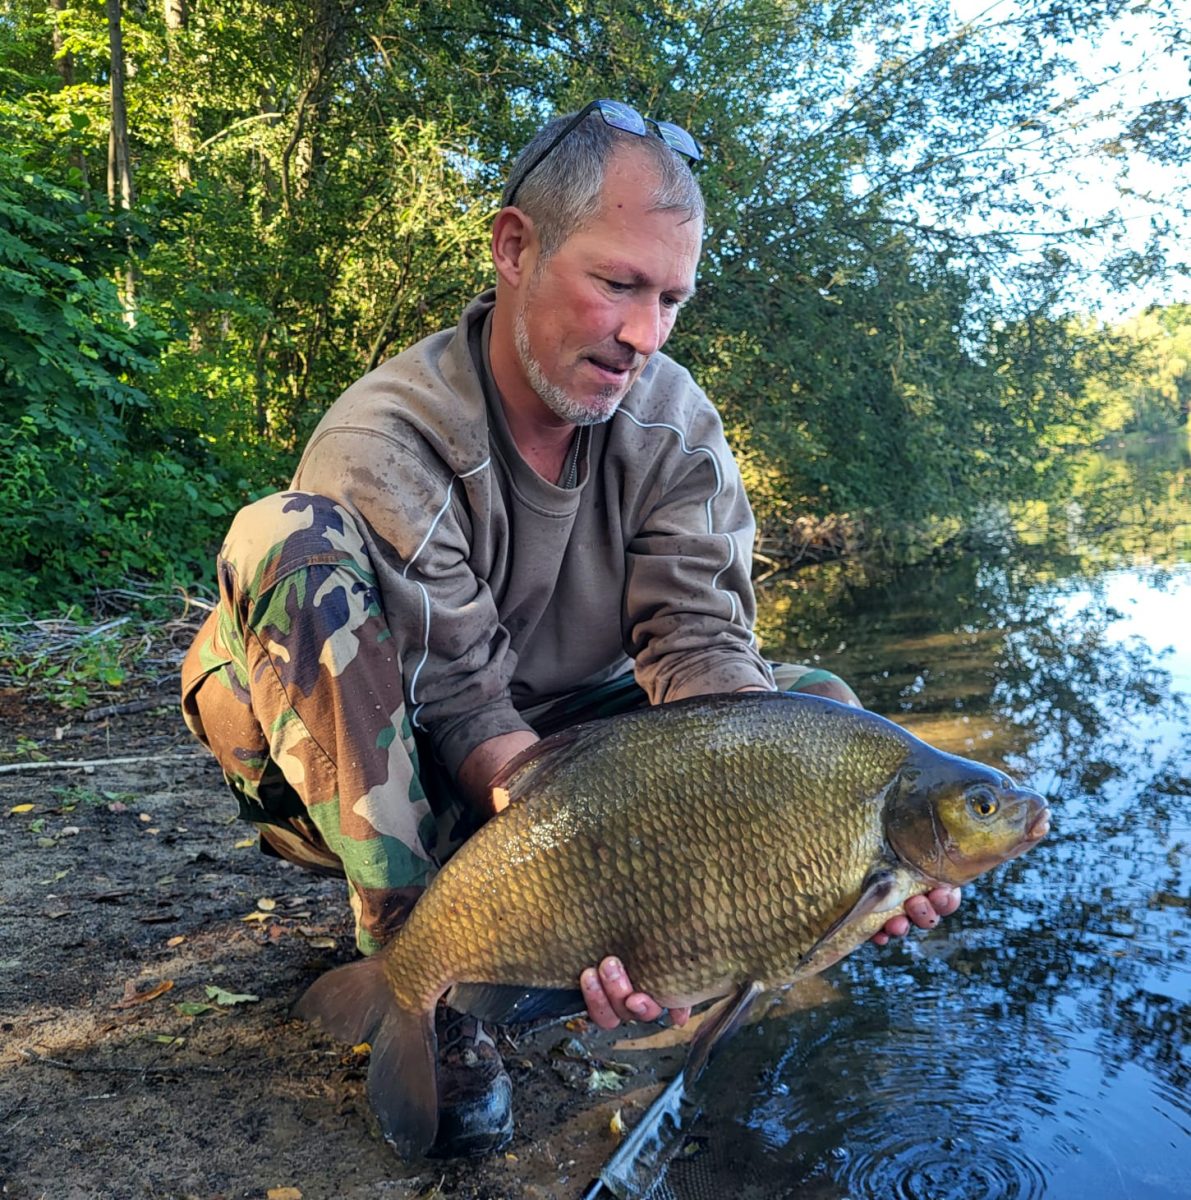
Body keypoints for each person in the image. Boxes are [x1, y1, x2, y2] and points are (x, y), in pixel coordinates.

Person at [181, 99, 959, 1157]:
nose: (644, 335)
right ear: (514, 247)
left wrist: (736, 874)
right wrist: (580, 846)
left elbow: (702, 651)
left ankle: (615, 959)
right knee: (286, 537)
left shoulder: (674, 422)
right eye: (617, 284)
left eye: (672, 299)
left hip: (581, 755)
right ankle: (418, 973)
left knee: (822, 722)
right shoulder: (391, 433)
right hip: (375, 759)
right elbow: (459, 703)